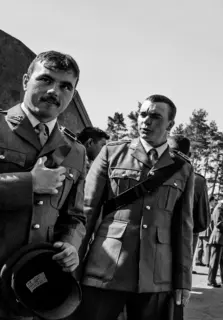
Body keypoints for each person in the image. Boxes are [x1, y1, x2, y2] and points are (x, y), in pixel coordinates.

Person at [76, 94, 195, 320]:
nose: (145, 121)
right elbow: (86, 212)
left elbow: (183, 228)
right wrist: (74, 267)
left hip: (157, 275)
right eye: (142, 114)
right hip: (106, 269)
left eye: (155, 116)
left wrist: (183, 281)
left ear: (170, 124)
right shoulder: (112, 153)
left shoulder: (183, 168)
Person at [0, 51, 87, 319]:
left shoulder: (75, 150)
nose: (54, 91)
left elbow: (74, 216)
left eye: (65, 86)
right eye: (46, 79)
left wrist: (70, 244)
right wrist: (29, 183)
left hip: (33, 283)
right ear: (26, 80)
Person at [167, 135, 211, 274]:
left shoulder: (151, 172)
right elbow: (202, 220)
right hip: (186, 235)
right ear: (189, 155)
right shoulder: (198, 180)